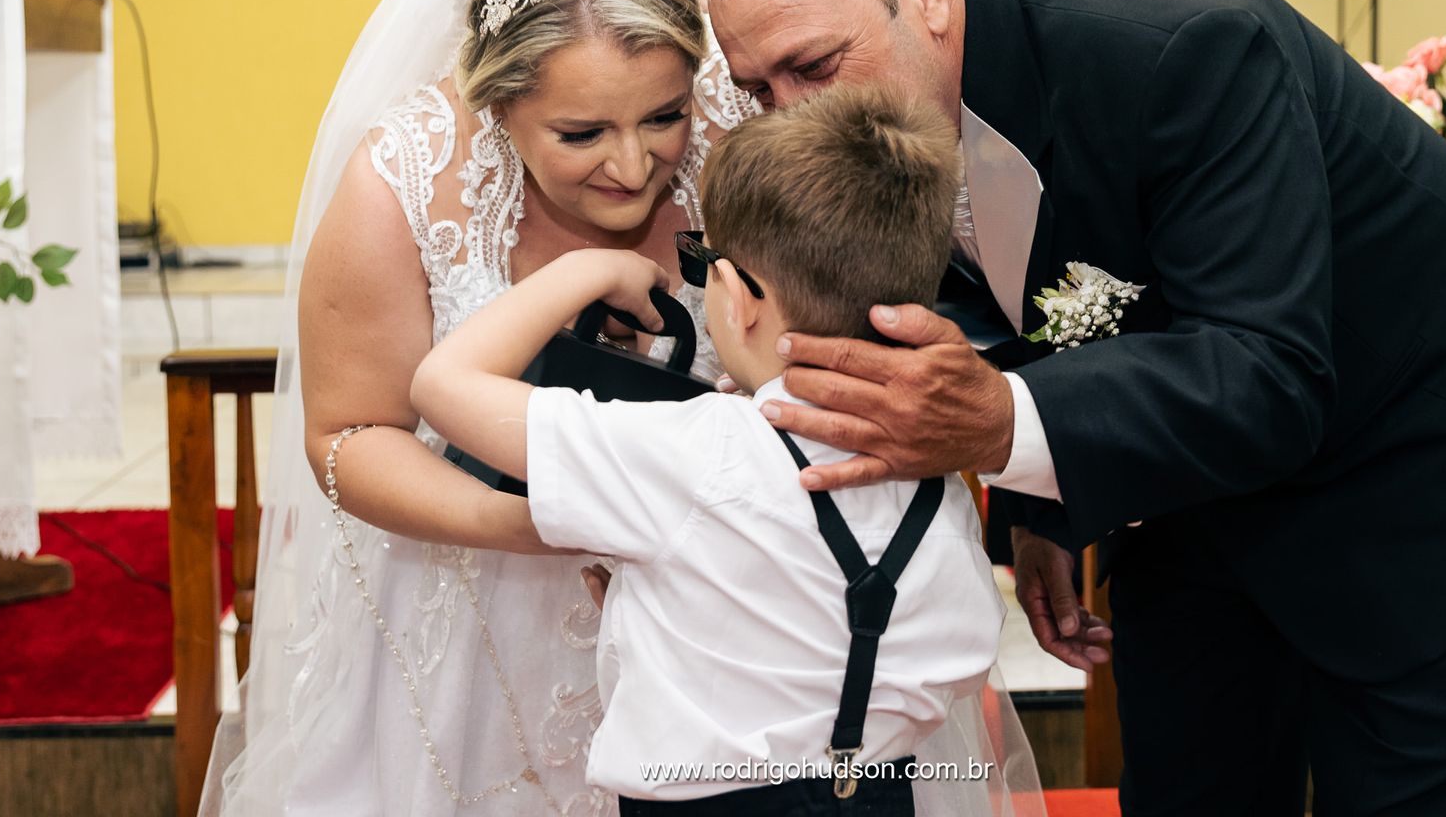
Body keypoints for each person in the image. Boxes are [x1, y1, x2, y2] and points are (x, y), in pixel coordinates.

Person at [707, 0, 1446, 817]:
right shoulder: (893, 116)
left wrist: (999, 427)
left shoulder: (1182, 44)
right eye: (758, 89)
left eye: (814, 67)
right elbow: (1050, 306)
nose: (796, 115)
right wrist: (1048, 506)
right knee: (1186, 787)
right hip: (1186, 488)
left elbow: (1269, 367)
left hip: (1394, 459)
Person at [207, 0, 754, 816]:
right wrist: (537, 527)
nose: (632, 164)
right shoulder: (404, 181)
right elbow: (346, 437)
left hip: (719, 597)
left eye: (662, 116)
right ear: (498, 101)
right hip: (478, 595)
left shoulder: (739, 132)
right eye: (580, 134)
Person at [408, 86, 1032, 814]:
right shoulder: (935, 473)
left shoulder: (694, 452)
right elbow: (949, 646)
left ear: (735, 298)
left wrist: (585, 272)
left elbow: (443, 384)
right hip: (883, 792)